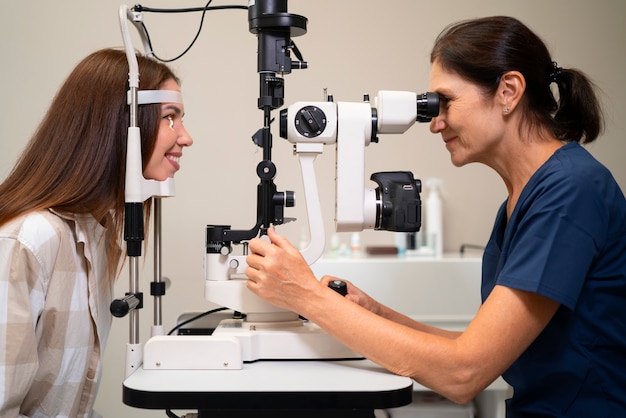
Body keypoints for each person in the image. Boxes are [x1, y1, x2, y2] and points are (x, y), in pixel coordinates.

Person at [245, 16, 626, 417]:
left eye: (446, 102)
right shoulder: (526, 198)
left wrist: (306, 294)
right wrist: (375, 313)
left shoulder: (569, 192)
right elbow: (475, 349)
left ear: (508, 91)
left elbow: (464, 373)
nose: (435, 122)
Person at [0, 48, 193, 417]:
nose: (186, 138)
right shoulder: (27, 242)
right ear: (120, 124)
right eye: (171, 118)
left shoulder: (97, 236)